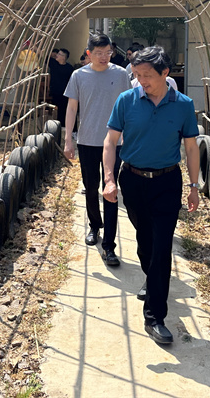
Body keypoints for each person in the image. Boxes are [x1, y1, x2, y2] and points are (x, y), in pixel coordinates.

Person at [102, 45, 200, 345]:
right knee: (145, 241)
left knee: (161, 247)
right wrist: (108, 179)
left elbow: (192, 147)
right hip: (132, 180)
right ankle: (151, 276)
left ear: (165, 73)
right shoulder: (126, 101)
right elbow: (110, 141)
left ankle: (155, 316)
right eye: (137, 74)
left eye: (147, 75)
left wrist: (194, 187)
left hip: (167, 182)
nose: (141, 80)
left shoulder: (183, 105)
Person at [64, 33, 131, 266]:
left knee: (110, 190)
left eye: (108, 52)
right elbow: (72, 108)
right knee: (91, 188)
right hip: (88, 140)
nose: (105, 57)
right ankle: (94, 225)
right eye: (99, 53)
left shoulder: (121, 75)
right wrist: (68, 140)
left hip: (115, 142)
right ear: (89, 54)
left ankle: (109, 246)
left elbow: (128, 106)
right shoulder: (78, 76)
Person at [48, 48, 74, 127]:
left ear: (64, 57)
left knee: (65, 110)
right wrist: (32, 46)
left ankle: (66, 126)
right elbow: (43, 55)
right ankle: (56, 126)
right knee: (56, 110)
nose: (57, 55)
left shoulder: (70, 68)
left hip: (66, 93)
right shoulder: (53, 63)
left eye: (59, 54)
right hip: (55, 92)